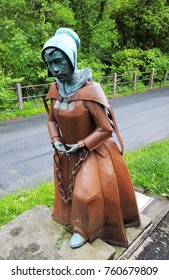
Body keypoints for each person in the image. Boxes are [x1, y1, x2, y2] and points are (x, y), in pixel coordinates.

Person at [42, 28, 140, 249]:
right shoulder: (55, 89)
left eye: (59, 61)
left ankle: (83, 229)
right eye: (49, 64)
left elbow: (106, 129)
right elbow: (51, 121)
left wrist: (81, 145)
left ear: (72, 58)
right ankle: (69, 219)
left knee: (87, 193)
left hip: (92, 151)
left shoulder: (91, 91)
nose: (54, 69)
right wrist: (55, 139)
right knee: (66, 191)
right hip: (65, 152)